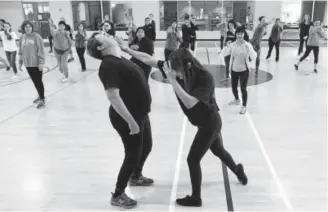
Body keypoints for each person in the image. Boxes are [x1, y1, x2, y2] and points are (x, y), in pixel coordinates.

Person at [116, 37, 248, 207]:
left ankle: (196, 198)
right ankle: (238, 170)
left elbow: (190, 103)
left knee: (193, 159)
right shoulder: (175, 68)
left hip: (210, 123)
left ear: (187, 66)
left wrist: (172, 81)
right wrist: (129, 51)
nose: (172, 72)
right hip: (202, 122)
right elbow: (148, 59)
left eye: (176, 70)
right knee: (219, 151)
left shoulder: (205, 78)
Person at [86, 32, 154, 209]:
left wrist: (126, 48)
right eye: (102, 36)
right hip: (127, 117)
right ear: (100, 47)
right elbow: (113, 96)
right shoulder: (108, 65)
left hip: (140, 113)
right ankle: (117, 194)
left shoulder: (118, 57)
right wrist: (131, 122)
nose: (106, 34)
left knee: (146, 146)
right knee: (132, 154)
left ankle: (136, 176)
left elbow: (145, 62)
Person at [224, 26, 257, 114]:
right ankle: (237, 100)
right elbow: (225, 53)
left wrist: (249, 58)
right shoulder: (233, 44)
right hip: (234, 70)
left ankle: (244, 106)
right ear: (236, 34)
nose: (239, 35)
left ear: (244, 34)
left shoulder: (247, 45)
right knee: (234, 87)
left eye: (241, 34)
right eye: (238, 34)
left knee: (243, 88)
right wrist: (227, 46)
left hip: (244, 70)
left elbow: (254, 55)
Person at [18, 20, 46, 109]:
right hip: (28, 64)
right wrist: (20, 61)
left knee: (38, 81)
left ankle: (42, 99)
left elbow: (41, 50)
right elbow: (20, 51)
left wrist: (41, 62)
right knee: (35, 82)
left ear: (32, 27)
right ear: (23, 28)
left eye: (29, 27)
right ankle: (40, 95)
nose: (28, 28)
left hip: (36, 63)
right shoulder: (22, 37)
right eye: (26, 27)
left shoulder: (37, 37)